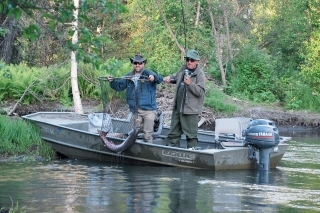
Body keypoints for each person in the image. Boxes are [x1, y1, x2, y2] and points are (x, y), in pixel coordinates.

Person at [108, 54, 163, 143]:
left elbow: (160, 79)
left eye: (140, 63)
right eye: (135, 63)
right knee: (131, 134)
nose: (137, 65)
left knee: (147, 136)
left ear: (143, 64)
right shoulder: (128, 76)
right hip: (135, 111)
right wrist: (112, 81)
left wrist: (154, 78)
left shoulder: (149, 73)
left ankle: (147, 153)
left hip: (149, 111)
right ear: (133, 63)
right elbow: (119, 87)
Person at [163, 49, 206, 149]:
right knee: (173, 135)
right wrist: (169, 78)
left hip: (190, 111)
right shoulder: (183, 69)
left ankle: (193, 157)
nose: (189, 62)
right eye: (187, 59)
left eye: (191, 60)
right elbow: (176, 77)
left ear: (197, 61)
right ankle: (173, 156)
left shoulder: (200, 74)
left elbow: (200, 92)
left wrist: (190, 83)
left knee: (191, 137)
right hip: (178, 109)